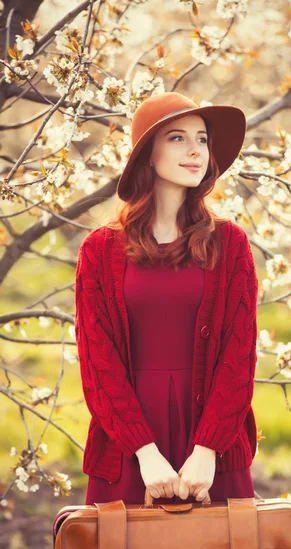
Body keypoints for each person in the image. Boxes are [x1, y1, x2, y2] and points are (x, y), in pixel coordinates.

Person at [74, 91, 259, 507]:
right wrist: (144, 451)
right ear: (147, 154)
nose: (196, 150)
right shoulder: (99, 250)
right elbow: (97, 360)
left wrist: (208, 449)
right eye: (177, 138)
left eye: (202, 139)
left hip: (212, 442)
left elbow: (240, 352)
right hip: (127, 440)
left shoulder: (230, 244)